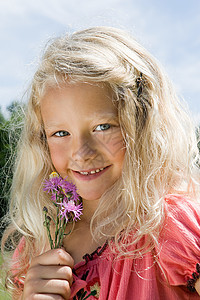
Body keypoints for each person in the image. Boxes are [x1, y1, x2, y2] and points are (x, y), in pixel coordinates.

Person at [1, 26, 200, 300]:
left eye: (103, 126)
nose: (81, 152)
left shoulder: (170, 226)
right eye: (61, 133)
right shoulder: (38, 245)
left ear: (141, 125)